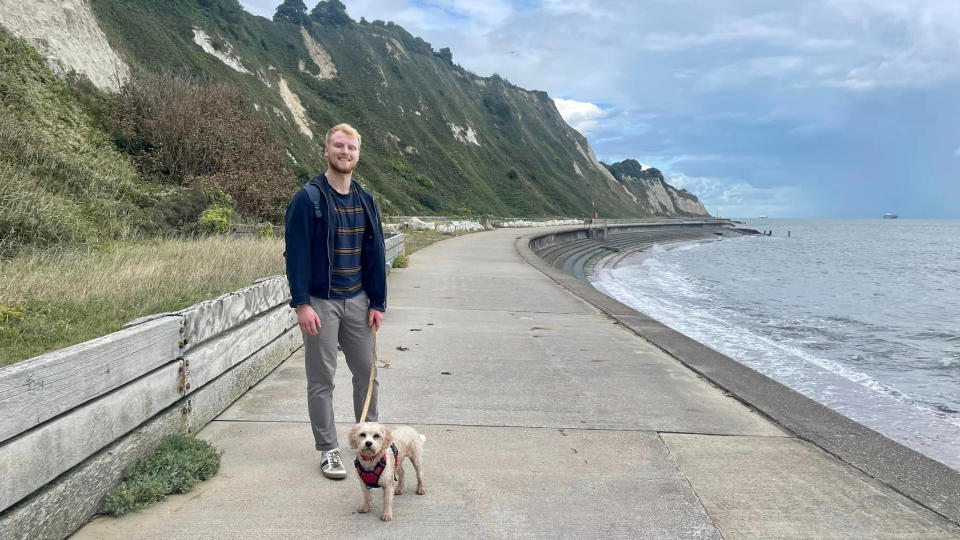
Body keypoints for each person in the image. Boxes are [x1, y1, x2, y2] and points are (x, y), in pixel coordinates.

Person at [284, 123, 387, 479]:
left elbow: (375, 254)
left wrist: (378, 303)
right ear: (327, 150)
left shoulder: (366, 200)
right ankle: (328, 449)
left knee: (368, 374)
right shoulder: (308, 198)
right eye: (339, 146)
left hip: (358, 300)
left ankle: (367, 444)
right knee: (322, 380)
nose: (345, 152)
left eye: (352, 148)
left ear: (359, 154)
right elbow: (295, 256)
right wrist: (302, 304)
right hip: (321, 302)